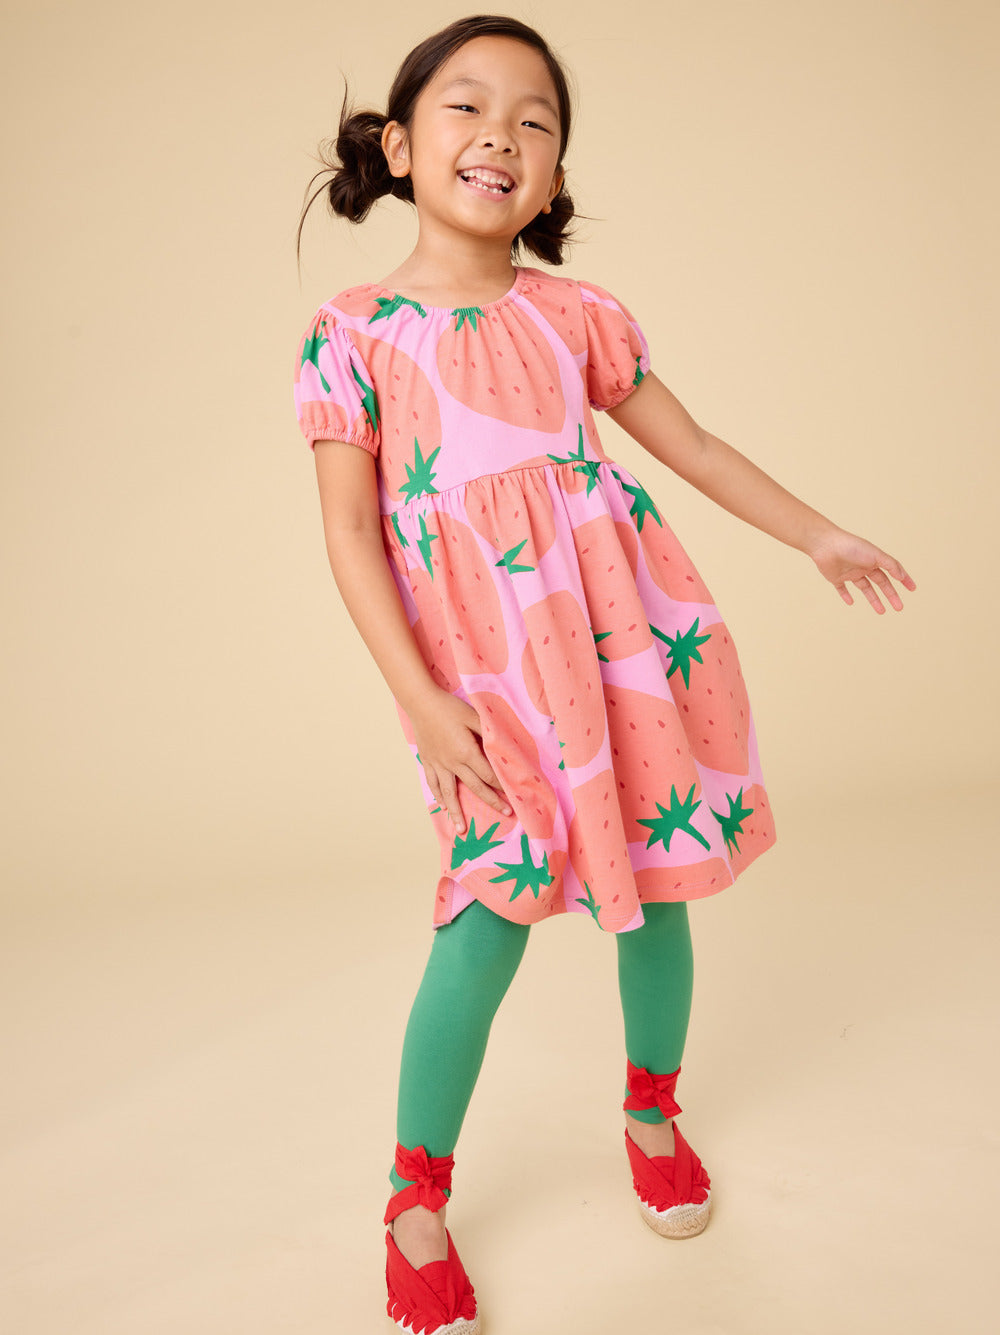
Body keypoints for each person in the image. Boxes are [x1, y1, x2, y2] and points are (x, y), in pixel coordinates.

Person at [292, 15, 915, 1334]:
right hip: (483, 684)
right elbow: (349, 534)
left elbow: (695, 447)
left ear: (556, 175)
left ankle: (650, 1111)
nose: (501, 137)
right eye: (467, 109)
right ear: (398, 147)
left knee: (657, 889)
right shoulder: (353, 333)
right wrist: (420, 702)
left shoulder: (577, 316)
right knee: (485, 919)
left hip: (622, 651)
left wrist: (818, 534)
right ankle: (414, 1195)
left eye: (535, 121)